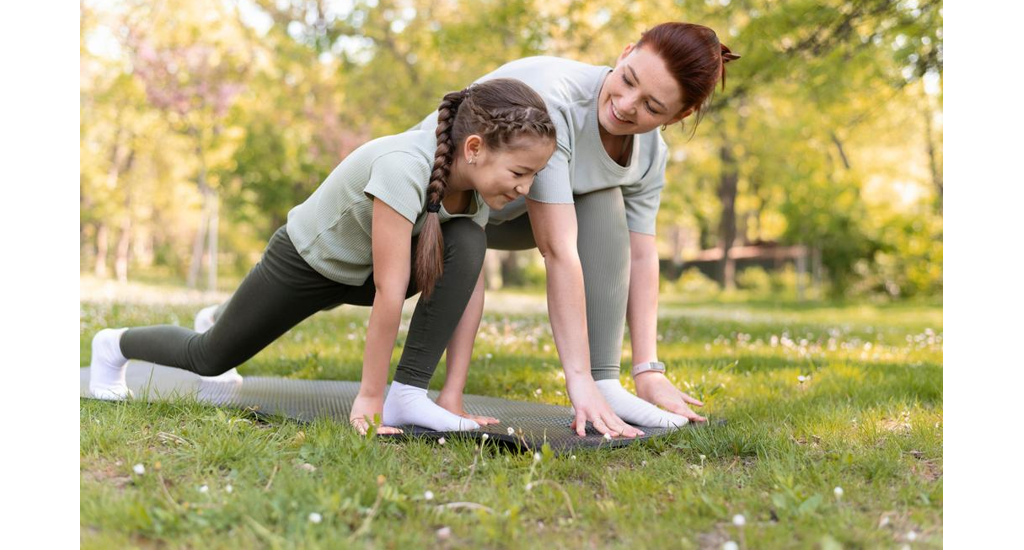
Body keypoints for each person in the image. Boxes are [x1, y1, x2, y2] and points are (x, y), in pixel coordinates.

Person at [88, 78, 558, 435]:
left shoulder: (474, 192)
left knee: (471, 244)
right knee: (209, 358)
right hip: (309, 263)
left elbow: (465, 291)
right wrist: (369, 398)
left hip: (364, 271)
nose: (525, 188)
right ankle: (115, 343)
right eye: (520, 172)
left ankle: (409, 394)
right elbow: (390, 294)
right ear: (474, 148)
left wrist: (449, 395)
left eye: (534, 176)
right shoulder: (403, 168)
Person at [408, 22, 739, 437]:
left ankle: (607, 382)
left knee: (603, 196)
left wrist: (648, 369)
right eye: (628, 80)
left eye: (652, 107)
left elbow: (639, 255)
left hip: (497, 217)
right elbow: (559, 250)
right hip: (424, 209)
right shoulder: (558, 102)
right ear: (624, 52)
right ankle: (592, 381)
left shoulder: (651, 153)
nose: (626, 105)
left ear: (680, 115)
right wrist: (574, 380)